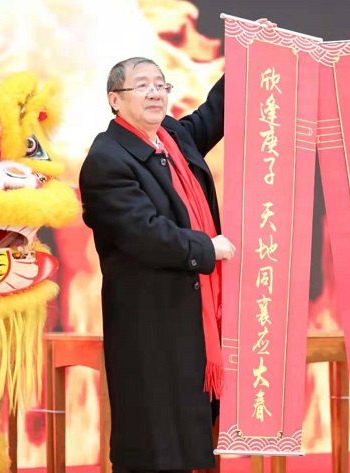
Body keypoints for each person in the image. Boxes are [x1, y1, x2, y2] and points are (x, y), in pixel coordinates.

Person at [79, 19, 276, 470]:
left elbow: (215, 112)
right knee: (154, 437)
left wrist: (251, 53)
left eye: (160, 84)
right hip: (149, 321)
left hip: (188, 317)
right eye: (141, 85)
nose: (155, 93)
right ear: (115, 99)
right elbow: (142, 233)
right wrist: (207, 248)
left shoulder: (172, 137)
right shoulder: (107, 159)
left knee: (188, 433)